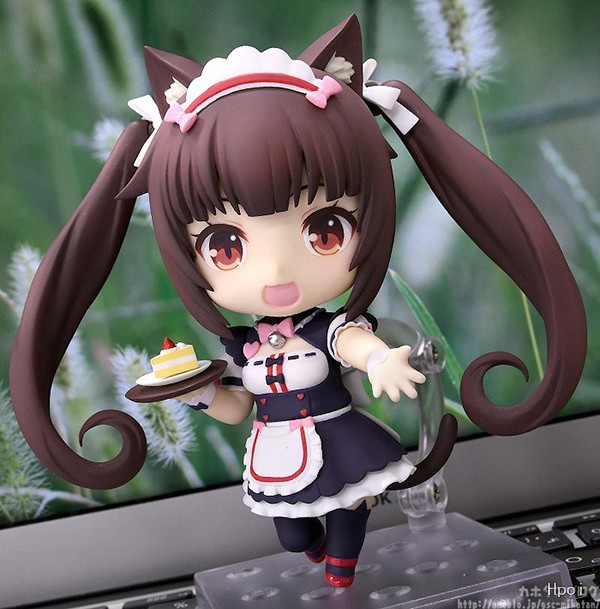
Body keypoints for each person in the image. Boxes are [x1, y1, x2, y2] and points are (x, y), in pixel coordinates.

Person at [10, 15, 586, 587]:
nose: (277, 271)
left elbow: (351, 342)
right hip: (276, 455)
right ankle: (318, 553)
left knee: (345, 517)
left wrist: (380, 360)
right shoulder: (244, 348)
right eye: (226, 246)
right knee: (291, 535)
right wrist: (197, 393)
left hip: (340, 441)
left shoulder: (320, 330)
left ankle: (341, 571)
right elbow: (238, 408)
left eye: (326, 231)